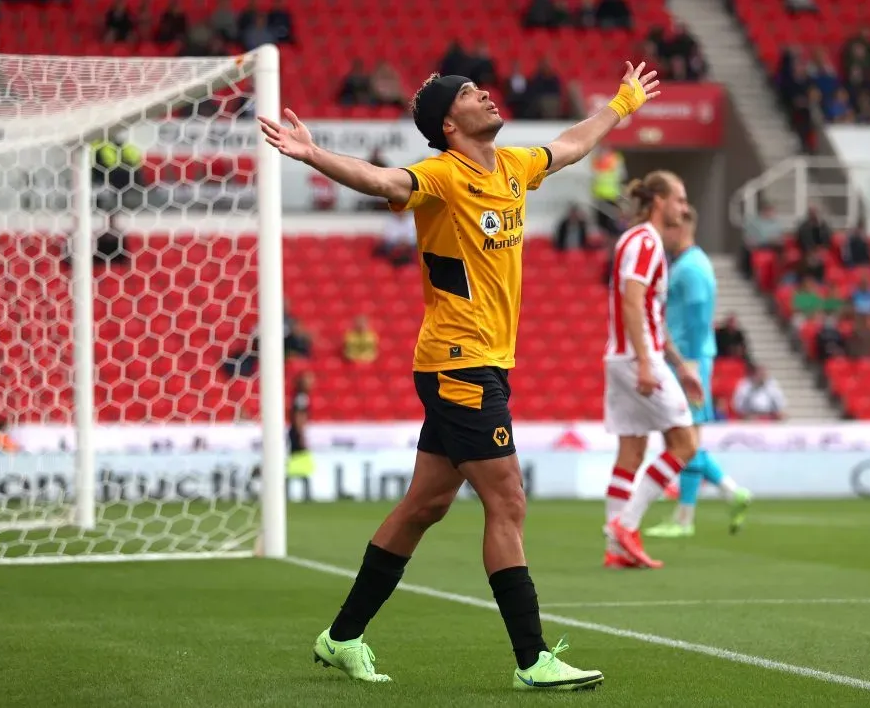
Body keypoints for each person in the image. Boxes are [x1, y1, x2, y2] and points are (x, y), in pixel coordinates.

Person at [259, 60, 661, 690]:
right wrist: (314, 155)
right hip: (459, 362)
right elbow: (381, 180)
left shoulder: (513, 167)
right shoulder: (442, 175)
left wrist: (622, 104)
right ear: (450, 123)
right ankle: (532, 660)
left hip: (482, 363)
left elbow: (575, 144)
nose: (488, 95)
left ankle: (340, 638)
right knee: (508, 500)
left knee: (425, 505)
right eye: (474, 94)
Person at [599, 172, 703, 571]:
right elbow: (632, 302)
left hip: (626, 355)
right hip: (635, 358)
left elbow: (650, 314)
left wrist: (679, 365)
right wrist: (646, 361)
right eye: (679, 199)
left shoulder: (639, 241)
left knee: (632, 451)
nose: (684, 207)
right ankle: (626, 526)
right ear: (659, 201)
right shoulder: (645, 242)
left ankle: (615, 547)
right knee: (685, 443)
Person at [641, 207, 751, 540]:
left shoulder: (691, 268)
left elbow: (699, 321)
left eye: (669, 228)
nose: (663, 235)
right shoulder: (688, 265)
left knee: (684, 439)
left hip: (688, 362)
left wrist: (686, 363)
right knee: (685, 440)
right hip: (686, 361)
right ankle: (729, 494)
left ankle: (688, 516)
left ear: (682, 228)